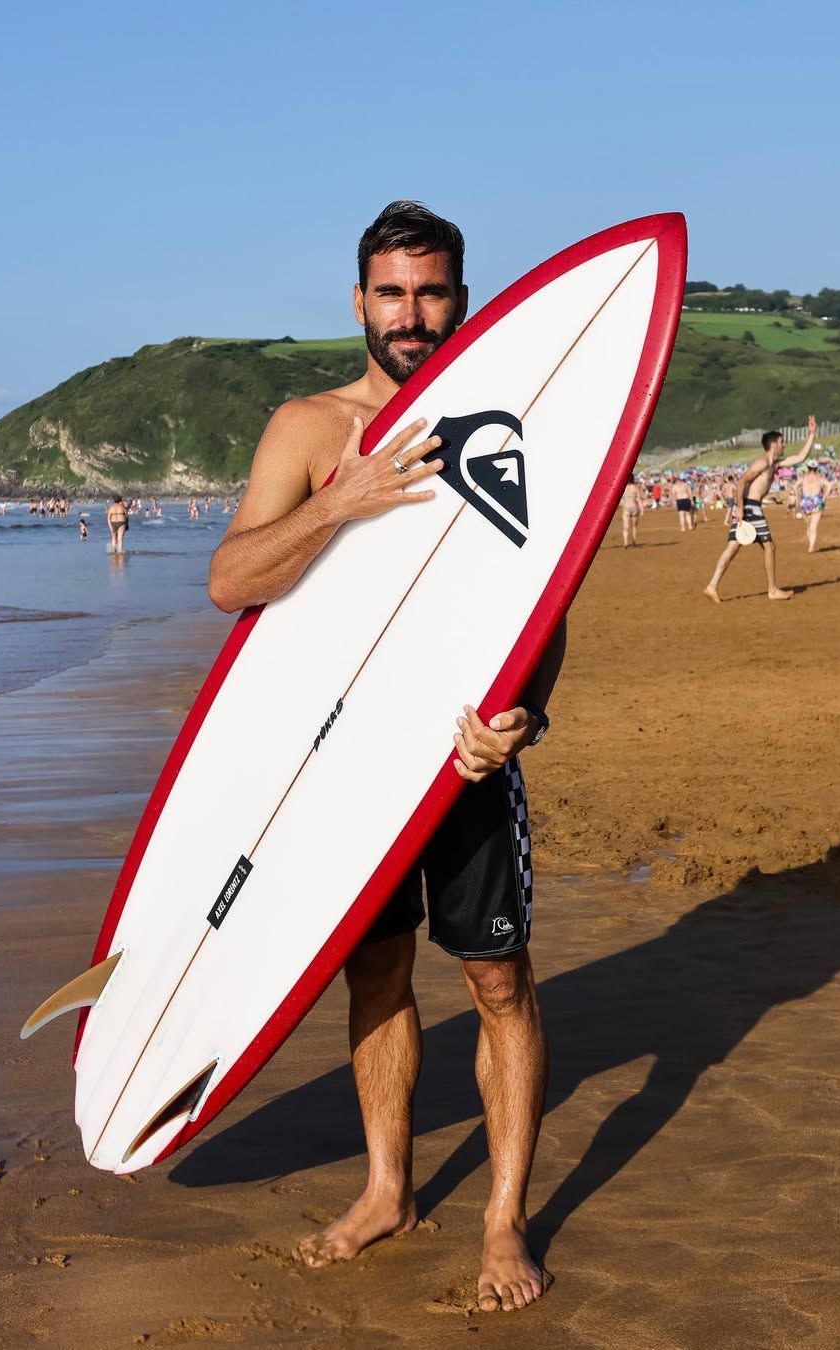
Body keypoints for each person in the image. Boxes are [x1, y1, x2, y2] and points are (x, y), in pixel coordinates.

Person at [208, 201, 565, 1314]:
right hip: (345, 767)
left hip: (466, 759)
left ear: (462, 295)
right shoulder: (308, 430)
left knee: (497, 978)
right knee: (376, 972)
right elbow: (232, 581)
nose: (412, 315)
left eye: (433, 292)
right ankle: (384, 1190)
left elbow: (542, 612)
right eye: (392, 293)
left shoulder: (504, 427)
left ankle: (505, 1221)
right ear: (359, 300)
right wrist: (343, 503)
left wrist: (522, 719)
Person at [703, 416, 817, 603]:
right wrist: (740, 508)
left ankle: (712, 586)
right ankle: (772, 590)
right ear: (773, 444)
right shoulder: (762, 463)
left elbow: (800, 457)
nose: (784, 445)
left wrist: (811, 434)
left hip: (750, 507)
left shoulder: (775, 464)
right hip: (750, 507)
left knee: (733, 549)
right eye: (782, 442)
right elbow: (742, 482)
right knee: (769, 546)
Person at [797, 464, 831, 553]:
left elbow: (795, 486)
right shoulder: (820, 479)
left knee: (809, 525)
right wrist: (824, 497)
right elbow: (829, 486)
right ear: (816, 469)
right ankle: (811, 546)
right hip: (817, 501)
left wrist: (798, 497)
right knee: (813, 526)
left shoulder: (803, 478)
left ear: (808, 468)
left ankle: (811, 545)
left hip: (805, 502)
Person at [620, 471, 643, 546]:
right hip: (634, 507)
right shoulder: (635, 488)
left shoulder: (624, 488)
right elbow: (639, 499)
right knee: (634, 527)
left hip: (626, 507)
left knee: (625, 527)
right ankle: (634, 541)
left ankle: (626, 543)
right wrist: (642, 509)